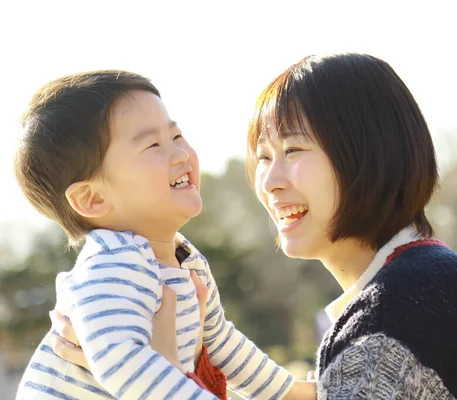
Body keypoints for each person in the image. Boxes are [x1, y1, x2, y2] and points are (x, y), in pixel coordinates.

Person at [51, 54, 457, 399]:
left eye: (293, 151)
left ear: (366, 155)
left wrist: (163, 365)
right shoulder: (419, 283)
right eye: (263, 156)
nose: (269, 181)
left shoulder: (398, 314)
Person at [13, 71, 314, 400]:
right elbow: (125, 364)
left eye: (176, 136)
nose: (181, 154)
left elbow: (223, 346)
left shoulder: (186, 259)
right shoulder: (109, 269)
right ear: (93, 199)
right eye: (153, 145)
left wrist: (297, 393)